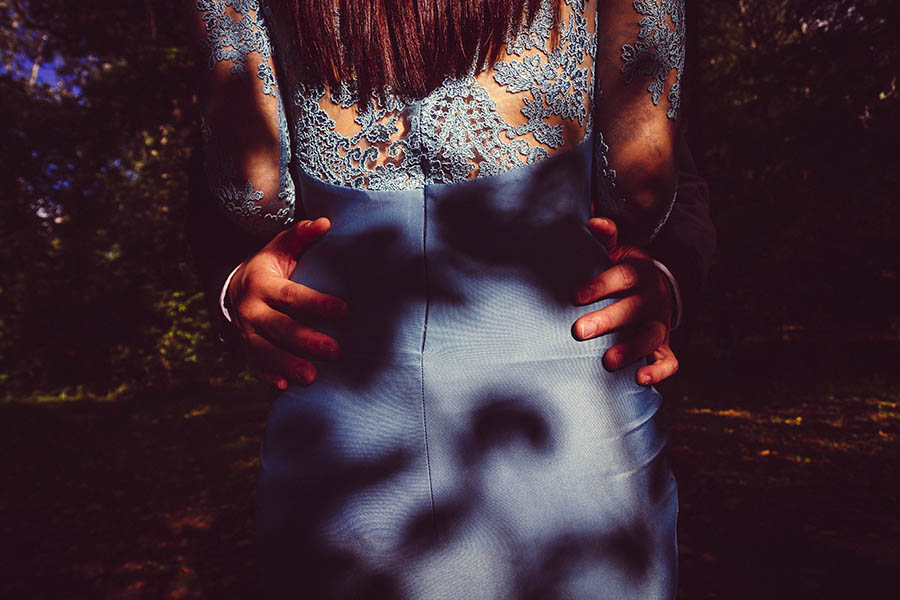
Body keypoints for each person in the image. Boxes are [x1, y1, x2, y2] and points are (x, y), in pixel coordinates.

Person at [186, 0, 714, 597]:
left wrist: (666, 281)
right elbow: (642, 183)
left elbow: (250, 190)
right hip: (555, 429)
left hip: (357, 441)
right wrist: (238, 289)